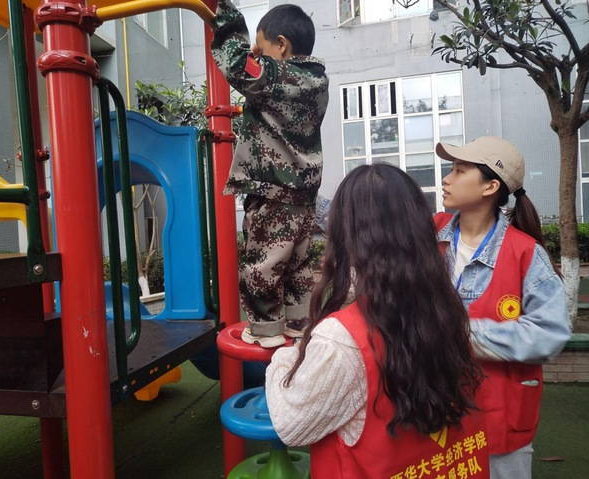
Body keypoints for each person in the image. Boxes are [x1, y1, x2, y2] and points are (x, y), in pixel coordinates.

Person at [266, 163, 490, 478]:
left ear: (344, 235)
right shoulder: (445, 309)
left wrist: (284, 358)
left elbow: (292, 425)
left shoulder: (340, 339)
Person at [435, 136, 572, 479]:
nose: (446, 179)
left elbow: (549, 333)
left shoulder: (526, 253)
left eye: (459, 170)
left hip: (498, 420)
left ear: (490, 186)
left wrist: (462, 336)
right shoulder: (427, 235)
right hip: (432, 413)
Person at [211, 0, 329, 348]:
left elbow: (236, 64)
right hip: (304, 197)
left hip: (273, 191)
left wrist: (227, 15)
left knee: (263, 262)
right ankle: (298, 321)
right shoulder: (318, 81)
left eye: (260, 49)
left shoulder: (276, 76)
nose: (255, 54)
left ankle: (266, 329)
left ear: (281, 45)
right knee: (298, 264)